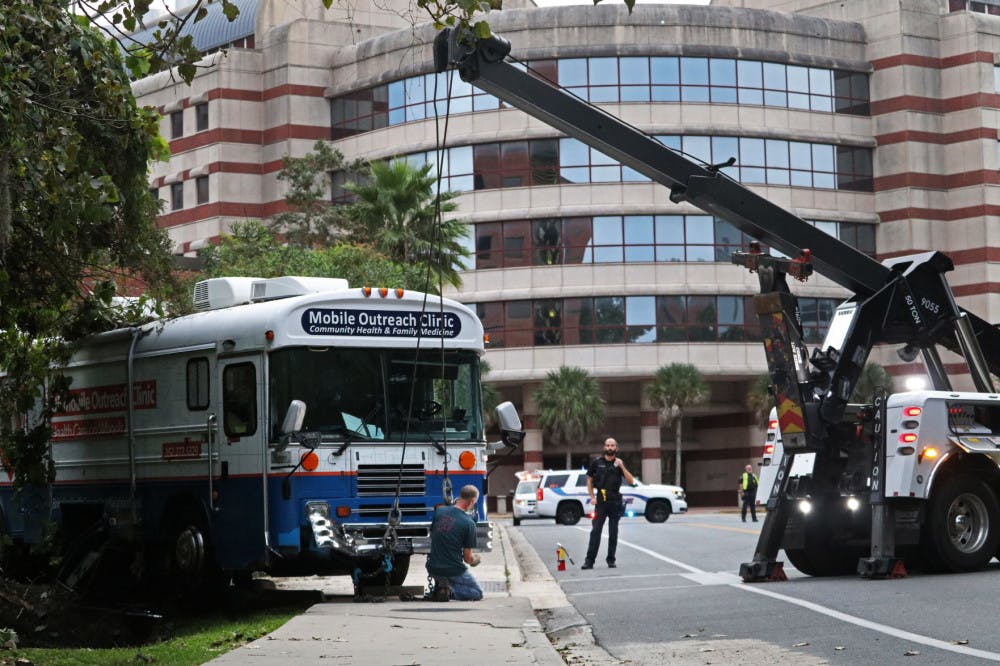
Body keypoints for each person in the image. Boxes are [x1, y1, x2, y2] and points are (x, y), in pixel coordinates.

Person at [582, 437, 635, 570]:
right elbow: (589, 480)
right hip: (601, 500)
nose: (610, 448)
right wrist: (592, 496)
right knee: (595, 531)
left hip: (615, 500)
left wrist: (622, 466)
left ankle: (611, 560)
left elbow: (631, 481)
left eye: (612, 445)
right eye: (607, 445)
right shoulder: (597, 463)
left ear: (616, 448)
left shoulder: (619, 464)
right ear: (604, 447)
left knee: (613, 532)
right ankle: (589, 561)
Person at [426, 484, 484, 601]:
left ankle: (443, 585)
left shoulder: (440, 512)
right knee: (477, 593)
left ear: (460, 496)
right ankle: (450, 592)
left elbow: (434, 536)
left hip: (433, 567)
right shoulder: (469, 523)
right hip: (453, 569)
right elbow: (468, 559)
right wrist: (476, 559)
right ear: (472, 502)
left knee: (452, 578)